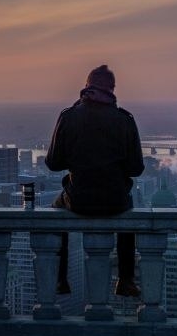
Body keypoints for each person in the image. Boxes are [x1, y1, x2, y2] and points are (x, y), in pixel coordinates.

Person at [46, 64, 144, 297]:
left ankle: (61, 279)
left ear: (87, 86)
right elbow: (136, 168)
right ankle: (126, 279)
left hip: (78, 200)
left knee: (55, 211)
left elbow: (53, 163)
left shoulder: (69, 117)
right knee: (129, 210)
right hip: (115, 201)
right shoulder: (125, 120)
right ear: (111, 88)